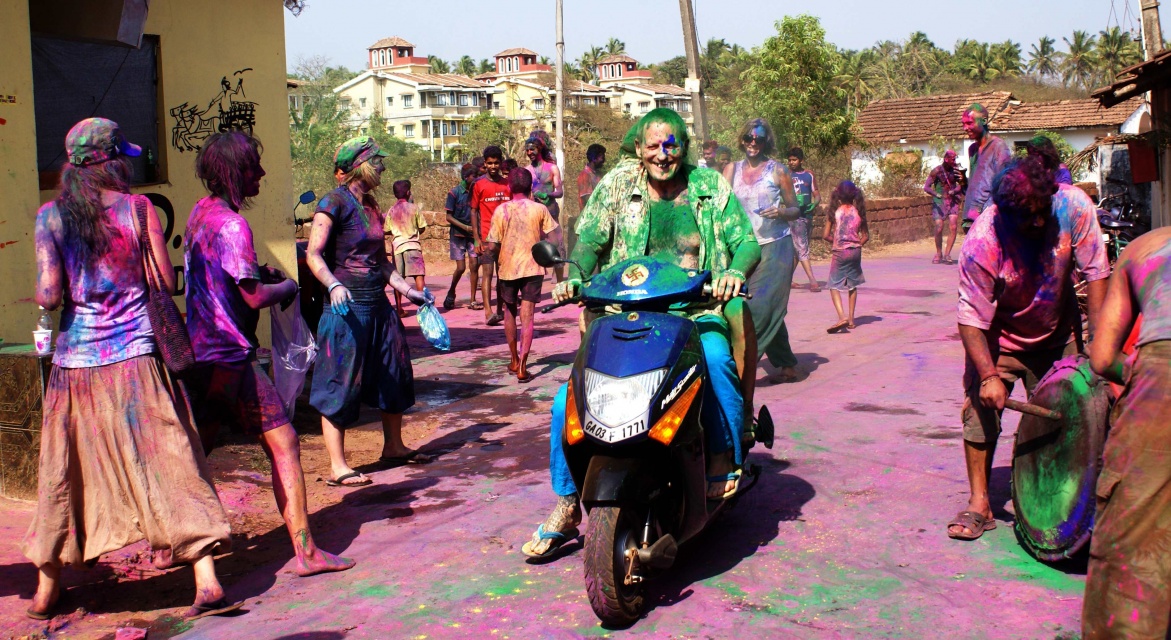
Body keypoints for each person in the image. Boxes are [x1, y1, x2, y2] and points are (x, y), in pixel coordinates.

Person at [521, 109, 761, 558]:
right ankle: (567, 501)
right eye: (653, 146)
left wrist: (733, 272)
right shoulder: (616, 185)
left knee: (715, 360)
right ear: (638, 148)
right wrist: (576, 276)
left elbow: (745, 242)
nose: (662, 155)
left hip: (694, 311)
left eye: (671, 145)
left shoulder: (710, 186)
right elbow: (589, 241)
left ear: (684, 147)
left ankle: (722, 459)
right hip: (623, 313)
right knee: (566, 402)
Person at [24, 118, 237, 620]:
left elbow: (49, 295)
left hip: (75, 366)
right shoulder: (138, 210)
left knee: (62, 472)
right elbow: (164, 279)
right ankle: (206, 579)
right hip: (137, 357)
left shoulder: (49, 217)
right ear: (111, 162)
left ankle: (45, 591)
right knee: (172, 460)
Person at [184, 131, 355, 578]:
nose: (260, 173)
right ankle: (307, 552)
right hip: (231, 355)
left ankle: (176, 545)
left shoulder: (200, 213)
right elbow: (254, 297)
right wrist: (289, 286)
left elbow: (221, 277)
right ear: (233, 172)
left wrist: (258, 272)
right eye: (252, 167)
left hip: (200, 352)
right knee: (285, 444)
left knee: (196, 450)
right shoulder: (233, 225)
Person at [948, 156, 1109, 540]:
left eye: (1042, 212)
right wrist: (989, 376)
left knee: (1071, 419)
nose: (1037, 223)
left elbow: (1096, 273)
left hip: (1058, 334)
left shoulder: (1073, 206)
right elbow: (970, 319)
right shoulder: (983, 242)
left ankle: (1066, 506)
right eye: (1026, 217)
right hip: (999, 340)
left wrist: (1099, 345)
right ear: (1003, 213)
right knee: (980, 415)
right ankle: (980, 504)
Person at [306, 136, 433, 487]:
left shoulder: (373, 206)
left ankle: (393, 446)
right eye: (377, 161)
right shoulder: (332, 202)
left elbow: (381, 262)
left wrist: (409, 291)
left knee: (395, 371)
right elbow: (313, 254)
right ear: (360, 166)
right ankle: (338, 465)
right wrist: (333, 284)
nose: (383, 167)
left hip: (378, 305)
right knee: (339, 381)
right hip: (346, 310)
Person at [1083, 225, 1171, 639]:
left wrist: (1137, 370)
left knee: (1132, 544)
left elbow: (1102, 358)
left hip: (1163, 374)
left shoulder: (1145, 247)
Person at [723, 118, 803, 384]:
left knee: (758, 307)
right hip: (743, 248)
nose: (753, 143)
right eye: (749, 138)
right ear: (742, 140)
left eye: (758, 139)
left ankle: (735, 369)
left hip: (775, 246)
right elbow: (720, 206)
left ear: (766, 141)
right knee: (766, 307)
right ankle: (787, 365)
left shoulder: (778, 171)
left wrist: (781, 212)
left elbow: (795, 209)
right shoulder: (731, 169)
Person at [486, 168, 558, 383]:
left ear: (509, 187)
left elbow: (492, 245)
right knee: (528, 316)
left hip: (507, 268)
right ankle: (523, 367)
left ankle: (514, 360)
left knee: (509, 312)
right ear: (530, 187)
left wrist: (499, 255)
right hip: (533, 267)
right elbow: (554, 239)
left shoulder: (501, 210)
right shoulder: (539, 209)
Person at [471, 145, 511, 326]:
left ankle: (501, 310)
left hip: (506, 239)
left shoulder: (508, 184)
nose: (493, 166)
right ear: (485, 164)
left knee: (503, 276)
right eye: (490, 163)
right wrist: (476, 238)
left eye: (496, 163)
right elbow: (474, 211)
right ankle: (488, 311)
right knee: (487, 274)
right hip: (487, 238)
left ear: (501, 163)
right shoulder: (478, 185)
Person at [823, 181, 869, 333]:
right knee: (852, 284)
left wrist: (837, 241)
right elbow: (865, 236)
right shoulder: (859, 212)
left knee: (833, 285)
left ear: (838, 195)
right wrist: (855, 244)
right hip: (855, 251)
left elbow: (825, 235)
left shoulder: (835, 212)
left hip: (840, 252)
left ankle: (841, 317)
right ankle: (851, 320)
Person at [524, 131, 565, 283]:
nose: (530, 152)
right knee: (535, 249)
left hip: (551, 214)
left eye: (532, 149)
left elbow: (559, 192)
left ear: (539, 149)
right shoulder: (527, 171)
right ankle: (534, 286)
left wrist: (548, 194)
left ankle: (560, 283)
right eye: (527, 150)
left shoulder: (552, 168)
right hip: (534, 217)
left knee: (558, 247)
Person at [961, 103, 1013, 223]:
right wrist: (963, 181)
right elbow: (977, 186)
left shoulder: (998, 146)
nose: (965, 128)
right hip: (970, 217)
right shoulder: (972, 150)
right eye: (963, 124)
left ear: (984, 121)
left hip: (987, 218)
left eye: (969, 123)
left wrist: (988, 213)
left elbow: (1003, 186)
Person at [383, 179, 427, 317]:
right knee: (419, 276)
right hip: (413, 246)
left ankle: (399, 308)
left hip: (397, 248)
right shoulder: (414, 208)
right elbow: (422, 227)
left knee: (398, 279)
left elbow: (386, 229)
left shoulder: (391, 210)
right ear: (408, 192)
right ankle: (424, 307)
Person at [445, 163, 480, 310]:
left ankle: (473, 300)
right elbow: (448, 216)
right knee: (460, 268)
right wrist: (465, 227)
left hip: (472, 235)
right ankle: (451, 291)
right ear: (466, 177)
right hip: (458, 235)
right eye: (474, 176)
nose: (476, 179)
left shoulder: (476, 192)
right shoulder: (454, 193)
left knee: (474, 265)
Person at [787, 147, 821, 291]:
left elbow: (817, 194)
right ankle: (812, 281)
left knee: (798, 250)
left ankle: (786, 279)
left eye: (794, 160)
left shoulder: (809, 175)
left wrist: (815, 204)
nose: (791, 162)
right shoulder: (786, 175)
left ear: (801, 160)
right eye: (789, 160)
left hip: (807, 216)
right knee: (802, 248)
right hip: (794, 217)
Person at [923, 150, 966, 264]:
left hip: (953, 201)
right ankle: (939, 253)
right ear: (946, 159)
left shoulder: (956, 171)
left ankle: (947, 254)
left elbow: (962, 185)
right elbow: (926, 187)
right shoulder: (936, 171)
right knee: (939, 227)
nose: (954, 161)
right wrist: (936, 194)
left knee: (953, 226)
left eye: (955, 159)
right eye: (953, 159)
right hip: (939, 202)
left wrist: (954, 191)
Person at [577, 143, 606, 210]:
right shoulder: (585, 175)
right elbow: (588, 199)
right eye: (601, 157)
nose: (603, 161)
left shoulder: (599, 174)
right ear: (594, 158)